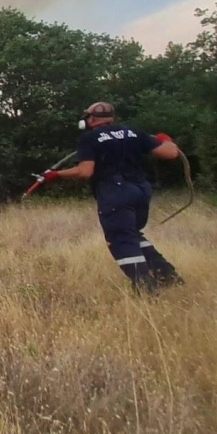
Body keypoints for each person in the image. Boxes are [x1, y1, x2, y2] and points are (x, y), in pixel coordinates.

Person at [37, 102, 184, 293]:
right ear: (112, 118)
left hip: (116, 192)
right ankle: (168, 276)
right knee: (132, 235)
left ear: (91, 119)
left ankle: (146, 287)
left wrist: (56, 175)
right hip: (141, 191)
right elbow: (171, 152)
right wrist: (165, 139)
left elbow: (85, 171)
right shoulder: (134, 132)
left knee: (120, 239)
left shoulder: (90, 138)